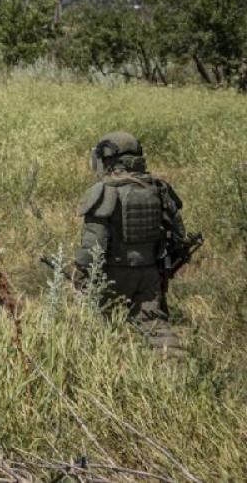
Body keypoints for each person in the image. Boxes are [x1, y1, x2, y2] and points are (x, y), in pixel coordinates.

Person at [75, 131, 187, 356]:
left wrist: (81, 276)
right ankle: (174, 372)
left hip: (113, 273)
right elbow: (178, 236)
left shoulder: (105, 190)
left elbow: (92, 246)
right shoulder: (158, 189)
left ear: (106, 159)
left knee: (99, 328)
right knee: (155, 327)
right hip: (150, 274)